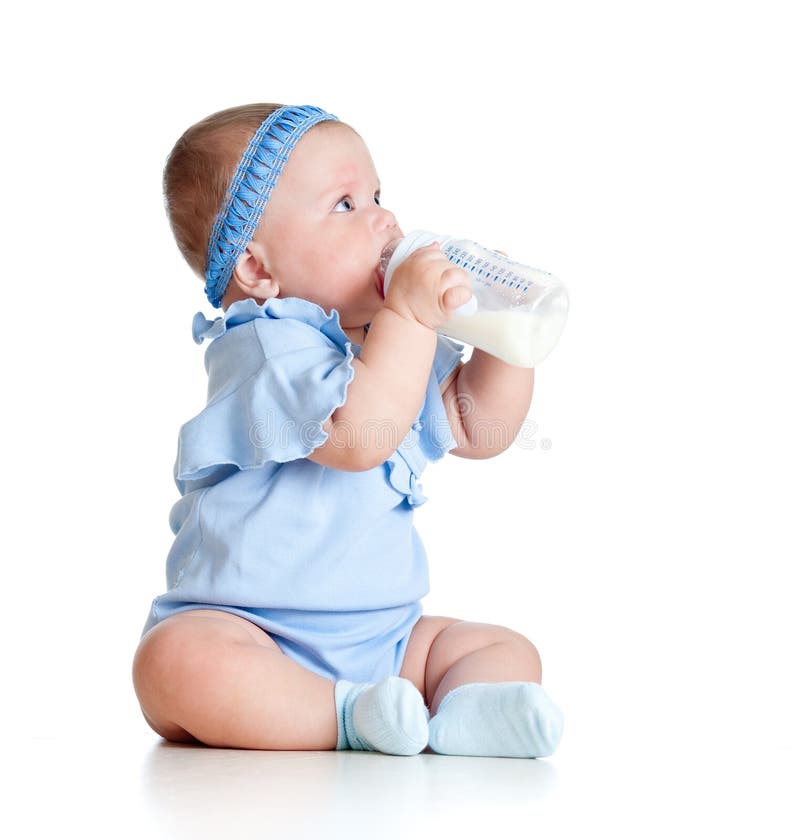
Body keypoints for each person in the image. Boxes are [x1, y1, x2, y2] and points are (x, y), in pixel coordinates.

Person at [132, 103, 564, 758]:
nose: (385, 219)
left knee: (504, 650)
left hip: (386, 639)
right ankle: (352, 719)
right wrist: (413, 316)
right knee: (174, 664)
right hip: (252, 634)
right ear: (257, 271)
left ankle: (462, 716)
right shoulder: (266, 350)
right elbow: (361, 438)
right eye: (345, 204)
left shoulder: (387, 344)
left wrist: (507, 339)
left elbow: (483, 429)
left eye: (378, 195)